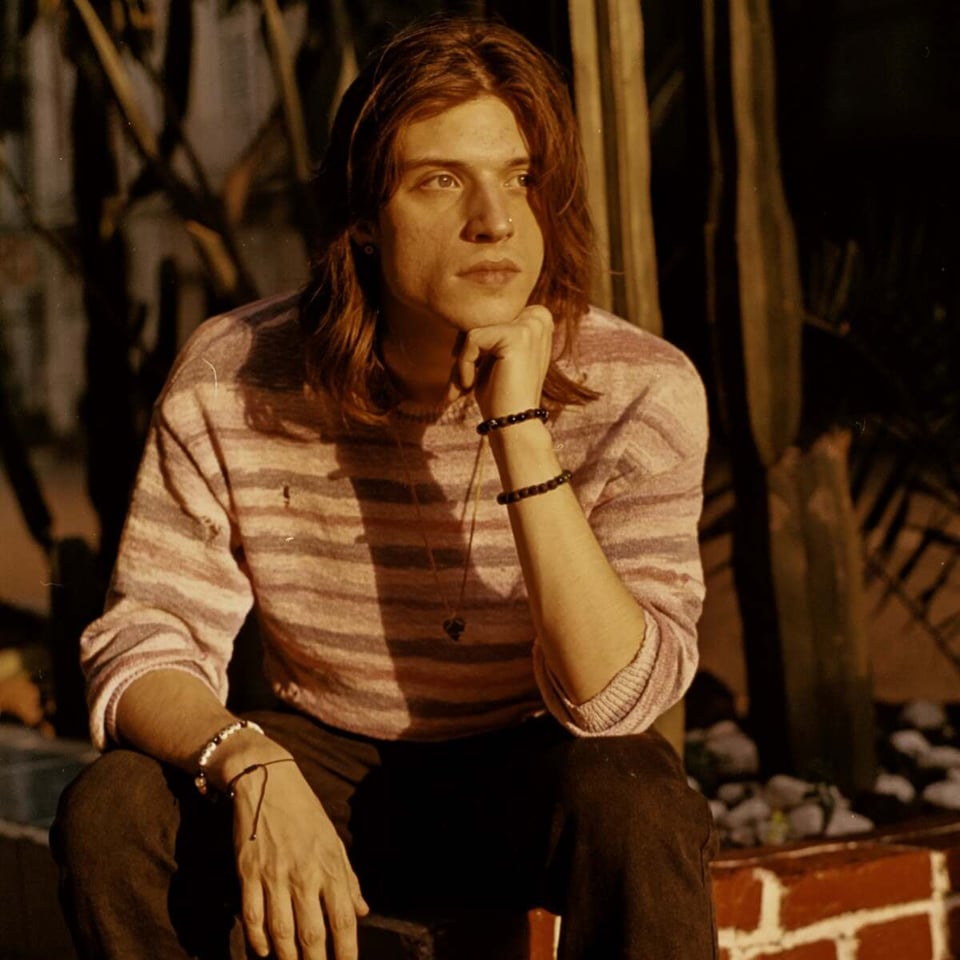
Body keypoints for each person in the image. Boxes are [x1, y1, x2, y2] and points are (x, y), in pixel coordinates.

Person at [52, 15, 717, 960]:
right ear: (363, 220)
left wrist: (518, 423)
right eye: (441, 180)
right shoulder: (234, 375)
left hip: (531, 764)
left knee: (640, 807)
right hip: (317, 749)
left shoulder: (640, 387)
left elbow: (611, 702)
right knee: (112, 811)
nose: (494, 220)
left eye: (519, 178)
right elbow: (144, 639)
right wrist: (245, 760)